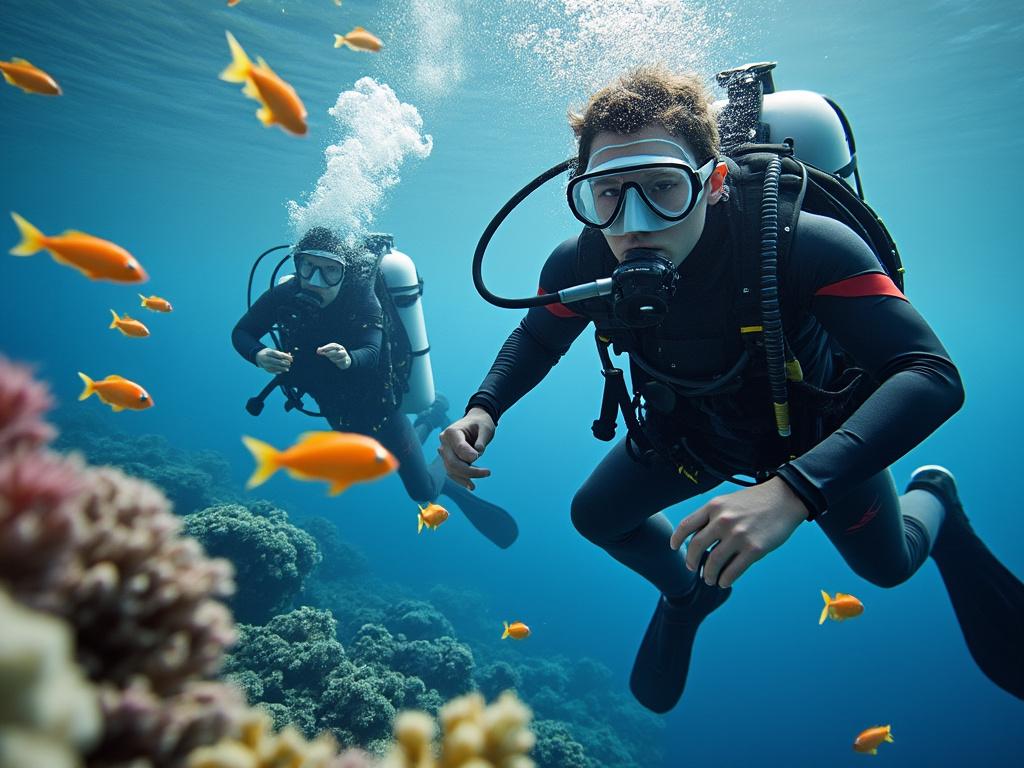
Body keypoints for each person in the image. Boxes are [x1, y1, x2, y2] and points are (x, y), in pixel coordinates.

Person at [438, 65, 1024, 711]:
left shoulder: (803, 244)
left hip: (817, 439)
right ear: (583, 193)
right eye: (607, 192)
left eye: (664, 187)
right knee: (596, 516)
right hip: (692, 431)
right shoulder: (583, 259)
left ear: (713, 183)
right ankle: (694, 591)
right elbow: (539, 337)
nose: (633, 222)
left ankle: (936, 503)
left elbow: (931, 375)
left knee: (886, 570)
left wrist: (796, 489)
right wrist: (483, 407)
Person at [233, 225, 518, 548]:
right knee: (375, 457)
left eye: (330, 272)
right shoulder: (283, 295)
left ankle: (436, 429)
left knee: (421, 491)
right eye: (307, 267)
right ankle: (431, 416)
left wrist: (348, 359)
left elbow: (372, 350)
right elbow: (242, 333)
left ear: (345, 272)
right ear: (296, 263)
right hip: (336, 410)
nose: (315, 280)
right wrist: (258, 354)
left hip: (381, 410)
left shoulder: (362, 298)